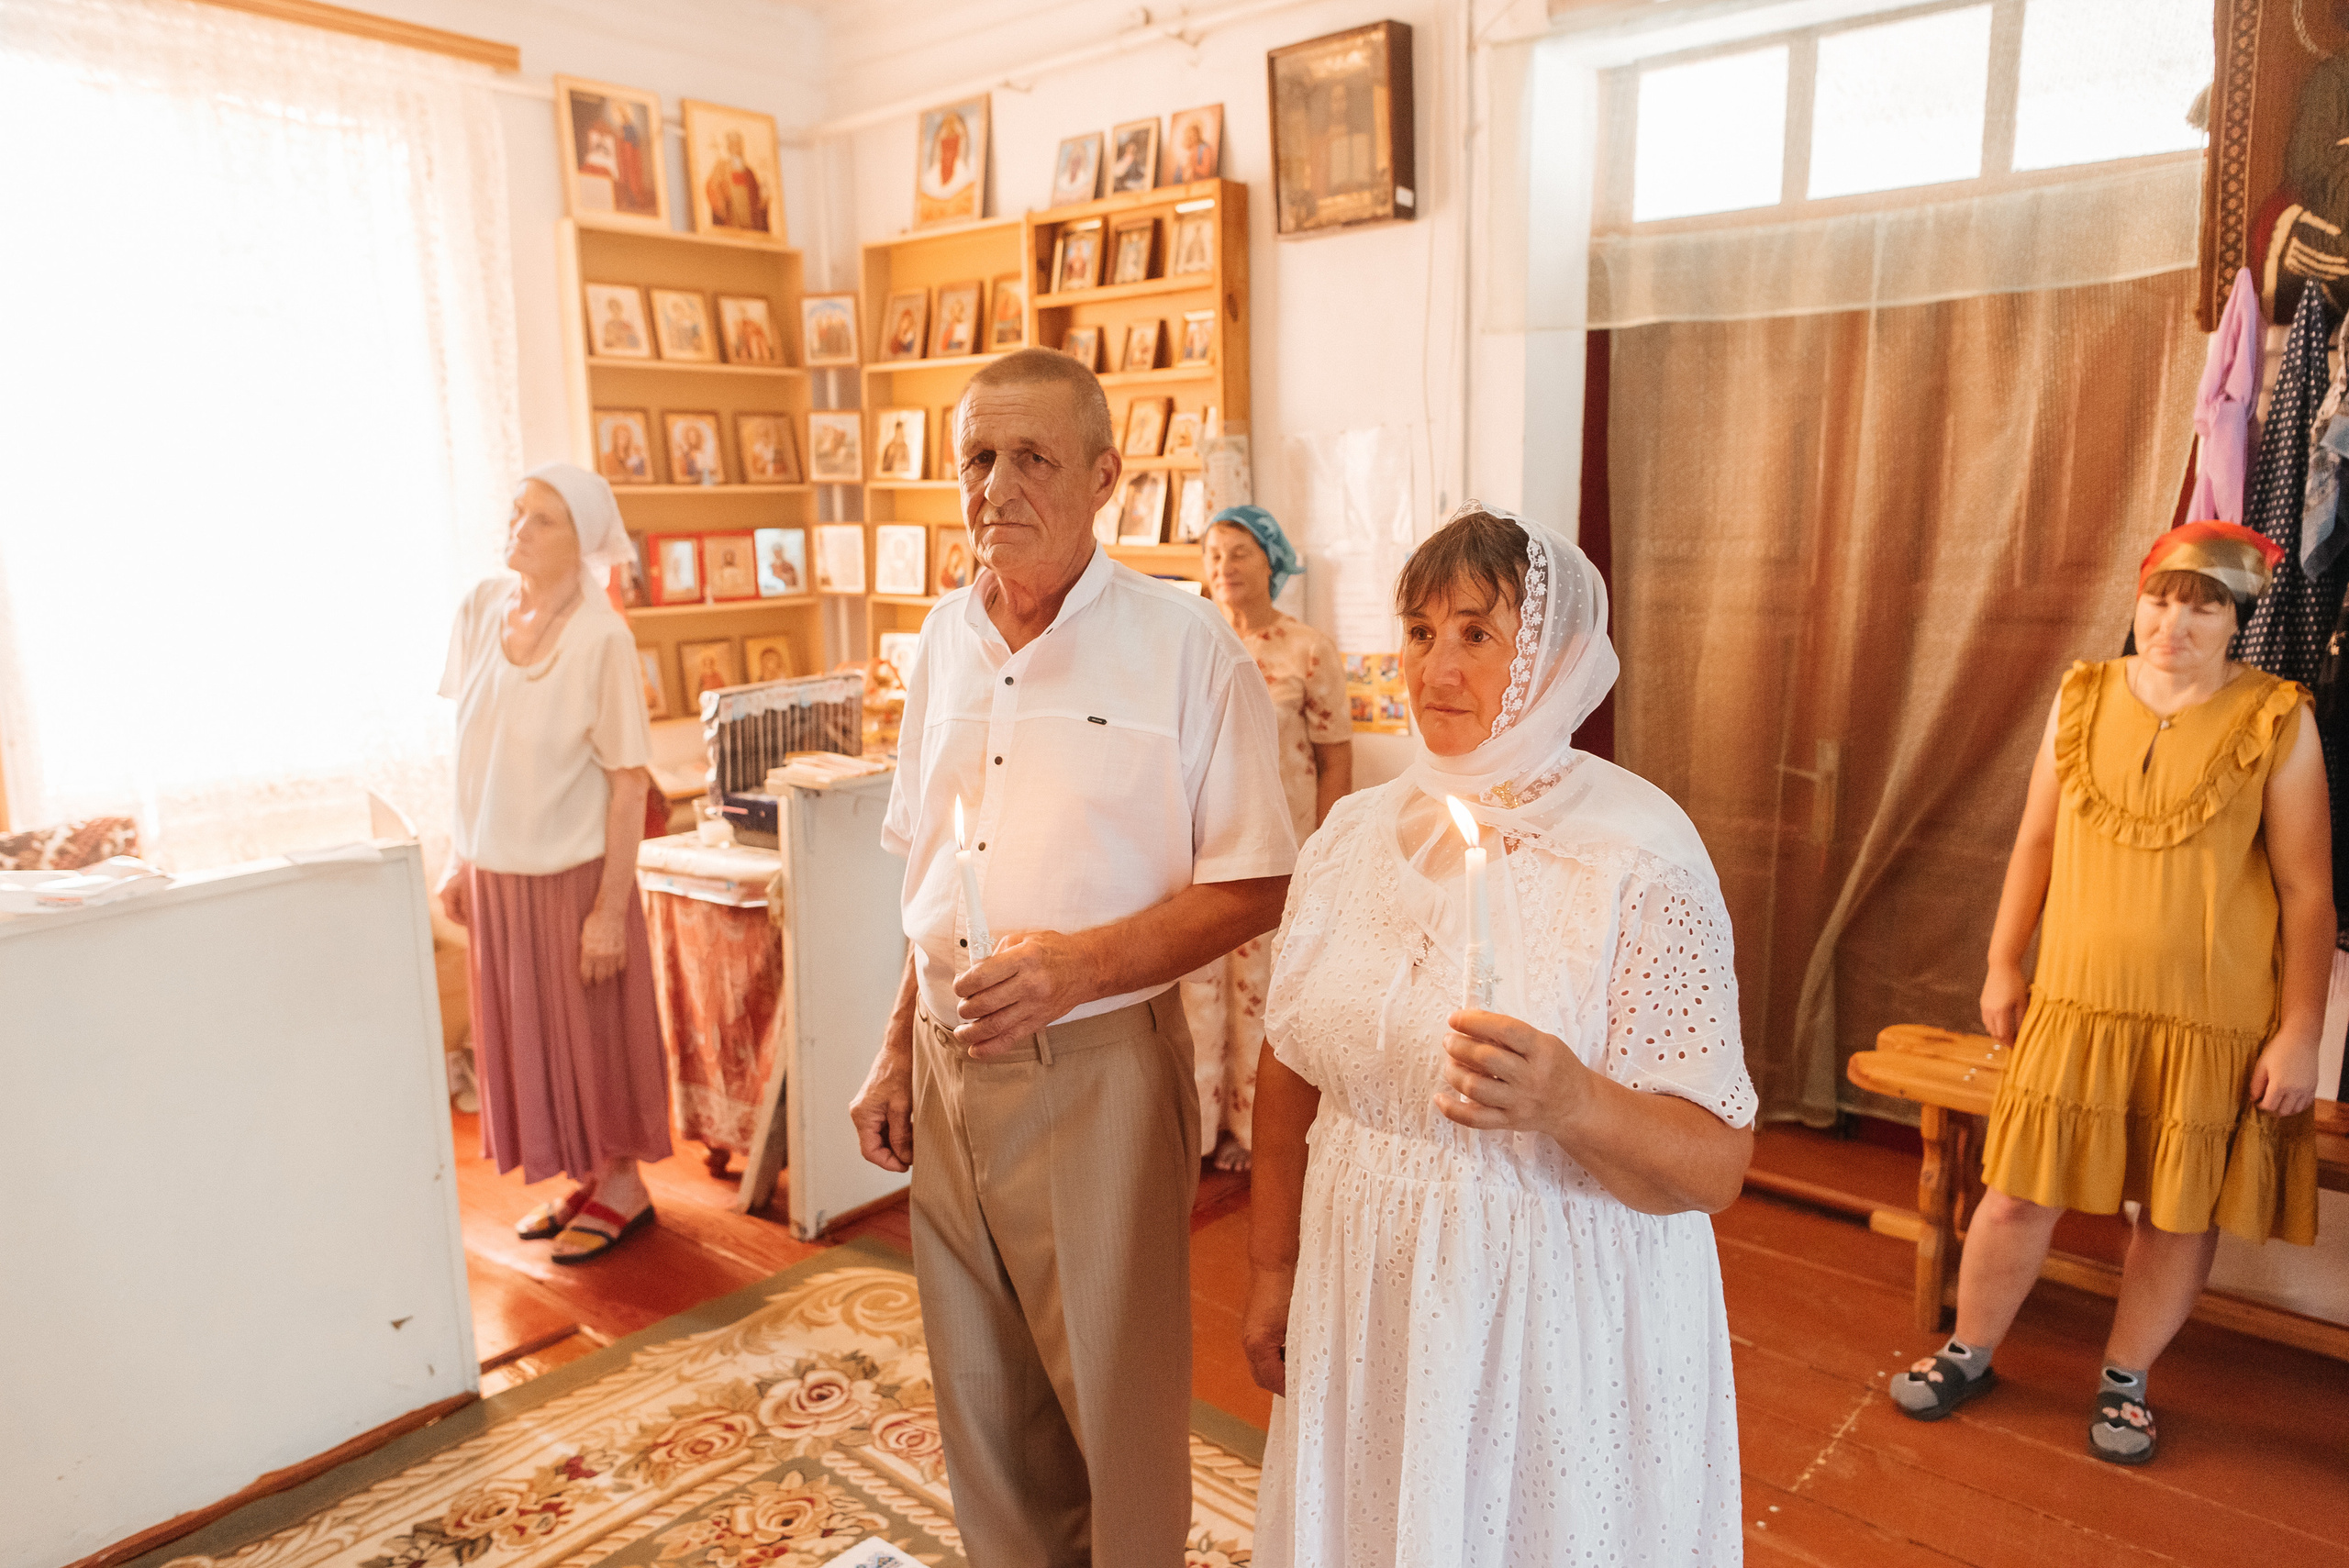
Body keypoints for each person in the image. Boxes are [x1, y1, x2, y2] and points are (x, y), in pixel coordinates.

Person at [847, 347, 1296, 1567]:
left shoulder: (1188, 646)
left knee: (1114, 1404)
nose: (996, 485)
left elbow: (1257, 881)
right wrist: (895, 1050)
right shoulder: (939, 640)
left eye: (1031, 457)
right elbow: (932, 871)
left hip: (1100, 1070)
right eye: (977, 458)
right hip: (948, 1068)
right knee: (984, 1398)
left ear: (1103, 475)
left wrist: (1082, 969)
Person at [1245, 506, 1756, 1565]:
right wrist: (1270, 1264)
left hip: (1546, 1314)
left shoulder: (1637, 853)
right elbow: (1290, 1061)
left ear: (1559, 657)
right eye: (1421, 630)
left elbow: (1714, 1163)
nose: (1437, 664)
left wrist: (1571, 1100)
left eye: (1478, 633)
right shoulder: (1347, 838)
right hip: (1368, 1282)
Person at [1887, 522, 2329, 1463]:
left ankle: (2125, 1380)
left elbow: (2308, 892)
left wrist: (2300, 1030)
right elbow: (2037, 842)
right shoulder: (2080, 696)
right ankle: (1969, 1349)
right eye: (2160, 598)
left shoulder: (2278, 719)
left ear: (2235, 617)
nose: (2173, 621)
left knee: (2173, 1212)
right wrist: (2004, 960)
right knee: (2014, 1194)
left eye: (2202, 603)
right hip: (2077, 1004)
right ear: (2139, 601)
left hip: (2211, 1022)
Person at [436, 463, 670, 1263]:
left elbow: (627, 781)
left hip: (574, 879)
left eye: (542, 519)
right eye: (516, 512)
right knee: (535, 1039)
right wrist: (457, 855)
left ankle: (625, 1184)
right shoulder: (478, 610)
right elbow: (471, 750)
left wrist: (609, 909)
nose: (518, 529)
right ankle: (586, 1175)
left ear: (583, 542)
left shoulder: (602, 637)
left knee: (593, 1036)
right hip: (497, 876)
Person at [1182, 506, 1351, 1172]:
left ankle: (1258, 1134)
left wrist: (1331, 848)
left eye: (1240, 552)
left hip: (1285, 852)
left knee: (1269, 987)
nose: (1224, 567)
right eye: (1214, 554)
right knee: (1196, 988)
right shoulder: (1191, 643)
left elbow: (1336, 756)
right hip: (1199, 848)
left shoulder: (1308, 648)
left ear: (1272, 561)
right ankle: (1193, 1129)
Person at [704, 128, 769, 232]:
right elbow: (712, 187)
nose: (737, 148)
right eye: (734, 145)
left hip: (747, 213)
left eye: (739, 145)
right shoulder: (722, 167)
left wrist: (764, 195)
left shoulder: (749, 172)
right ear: (729, 147)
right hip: (731, 212)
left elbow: (756, 195)